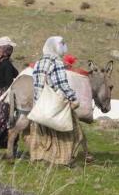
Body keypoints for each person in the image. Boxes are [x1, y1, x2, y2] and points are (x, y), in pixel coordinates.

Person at [29, 36, 86, 166]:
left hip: (40, 104)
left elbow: (36, 83)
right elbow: (62, 84)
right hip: (55, 104)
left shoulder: (39, 62)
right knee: (73, 131)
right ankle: (63, 159)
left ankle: (42, 157)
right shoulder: (56, 62)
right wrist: (73, 97)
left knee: (45, 133)